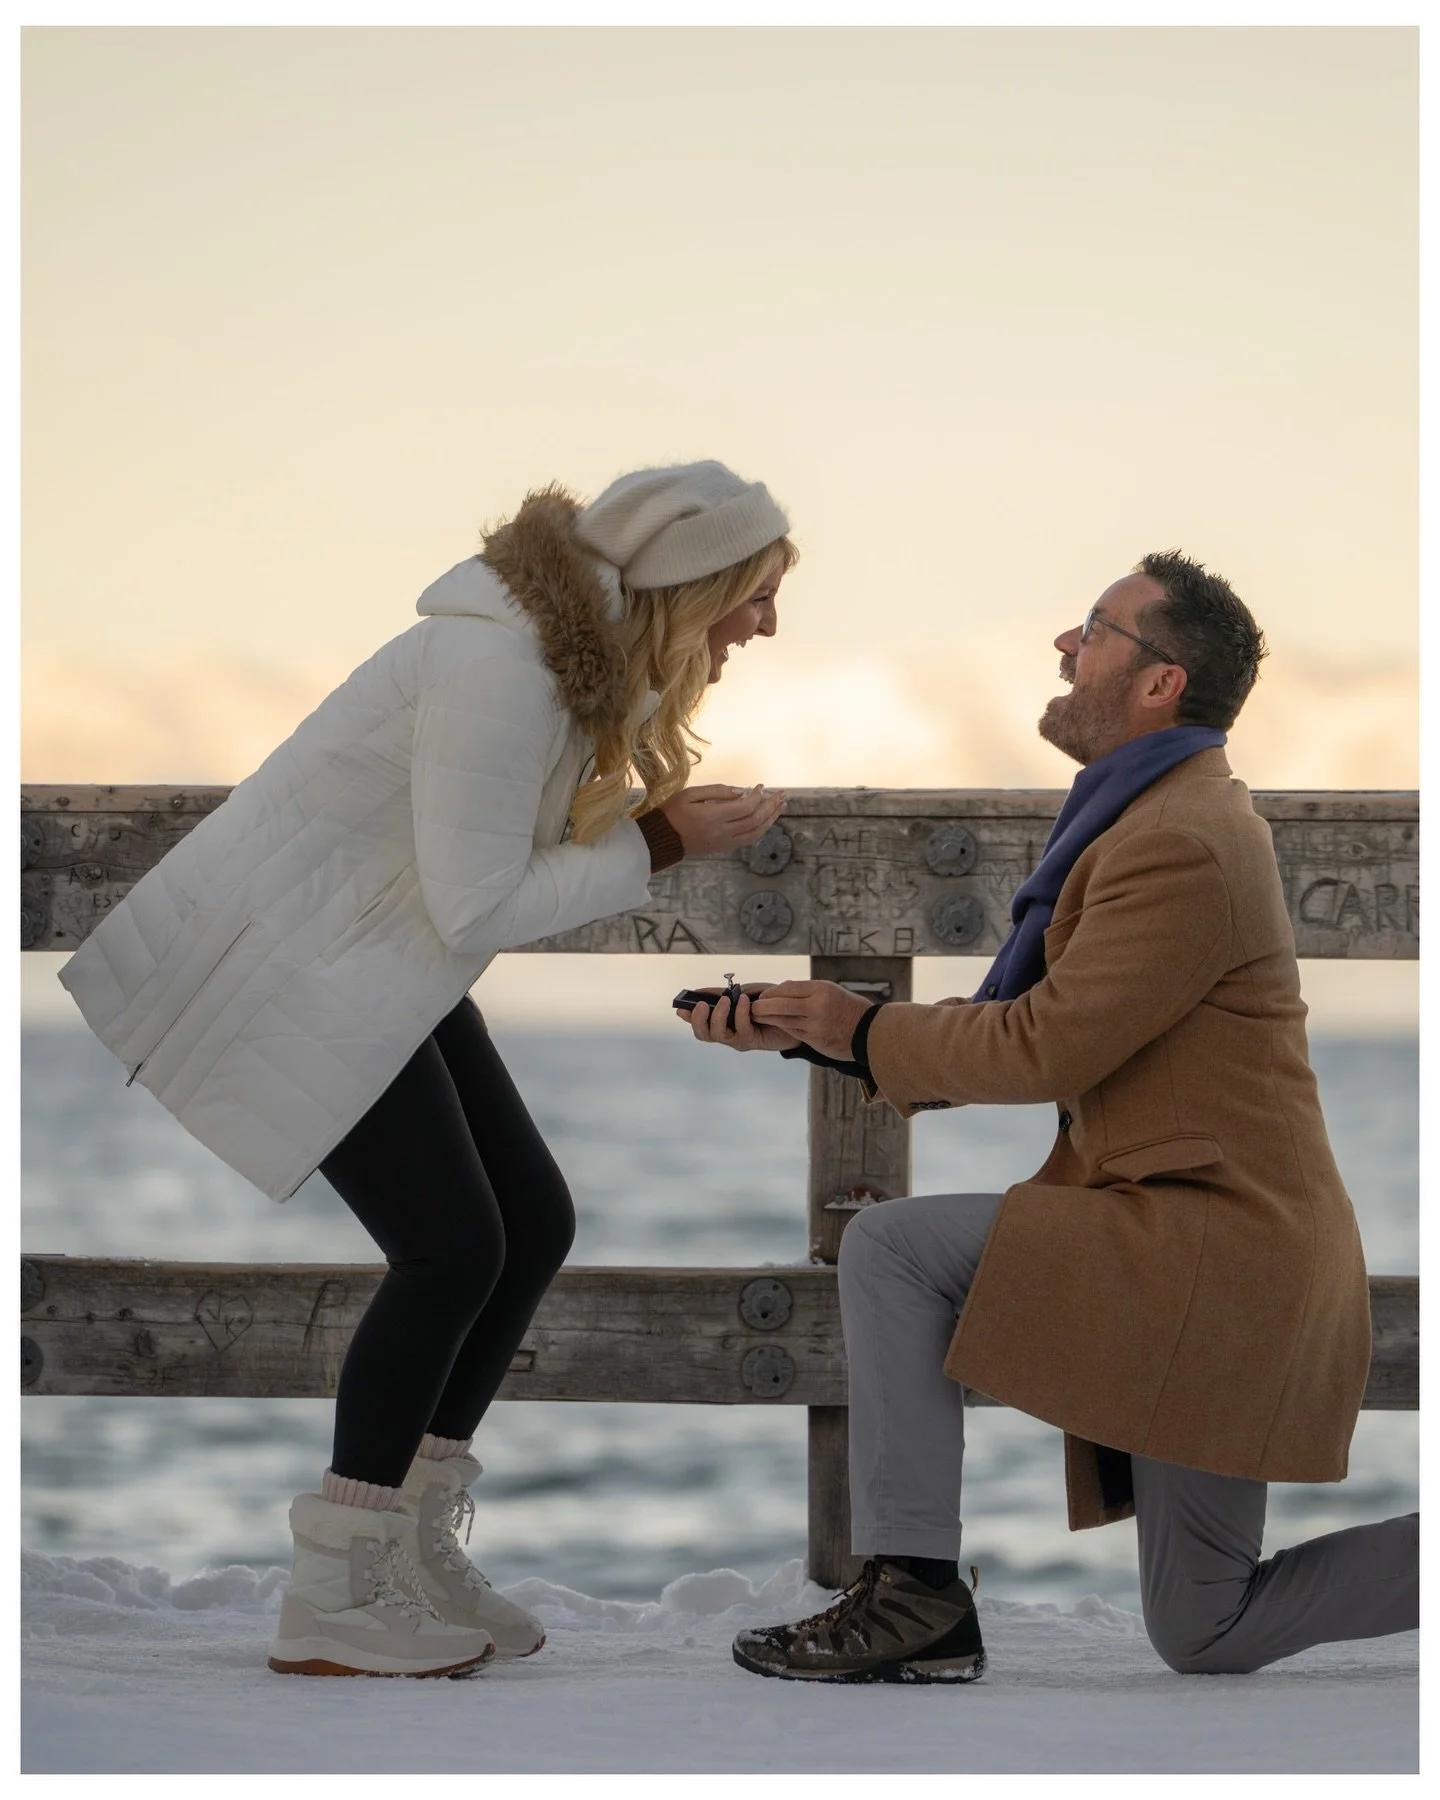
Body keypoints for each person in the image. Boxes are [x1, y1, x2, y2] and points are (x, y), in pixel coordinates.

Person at [59, 461, 796, 1679]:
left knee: (532, 1221)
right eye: (758, 592)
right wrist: (659, 839)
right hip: (306, 968)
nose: (766, 623)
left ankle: (404, 1538)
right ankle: (339, 1589)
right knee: (454, 1246)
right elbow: (478, 903)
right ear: (688, 578)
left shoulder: (557, 659)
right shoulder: (501, 668)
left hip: (370, 960)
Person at [681, 551, 1419, 1686]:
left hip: (1215, 1254)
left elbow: (1040, 1045)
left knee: (890, 1249)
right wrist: (820, 1029)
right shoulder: (1162, 814)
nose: (1065, 646)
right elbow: (1036, 1025)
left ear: (1161, 682)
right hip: (1218, 1257)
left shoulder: (1177, 840)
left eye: (1095, 628)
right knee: (1204, 1628)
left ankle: (915, 1595)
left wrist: (854, 1027)